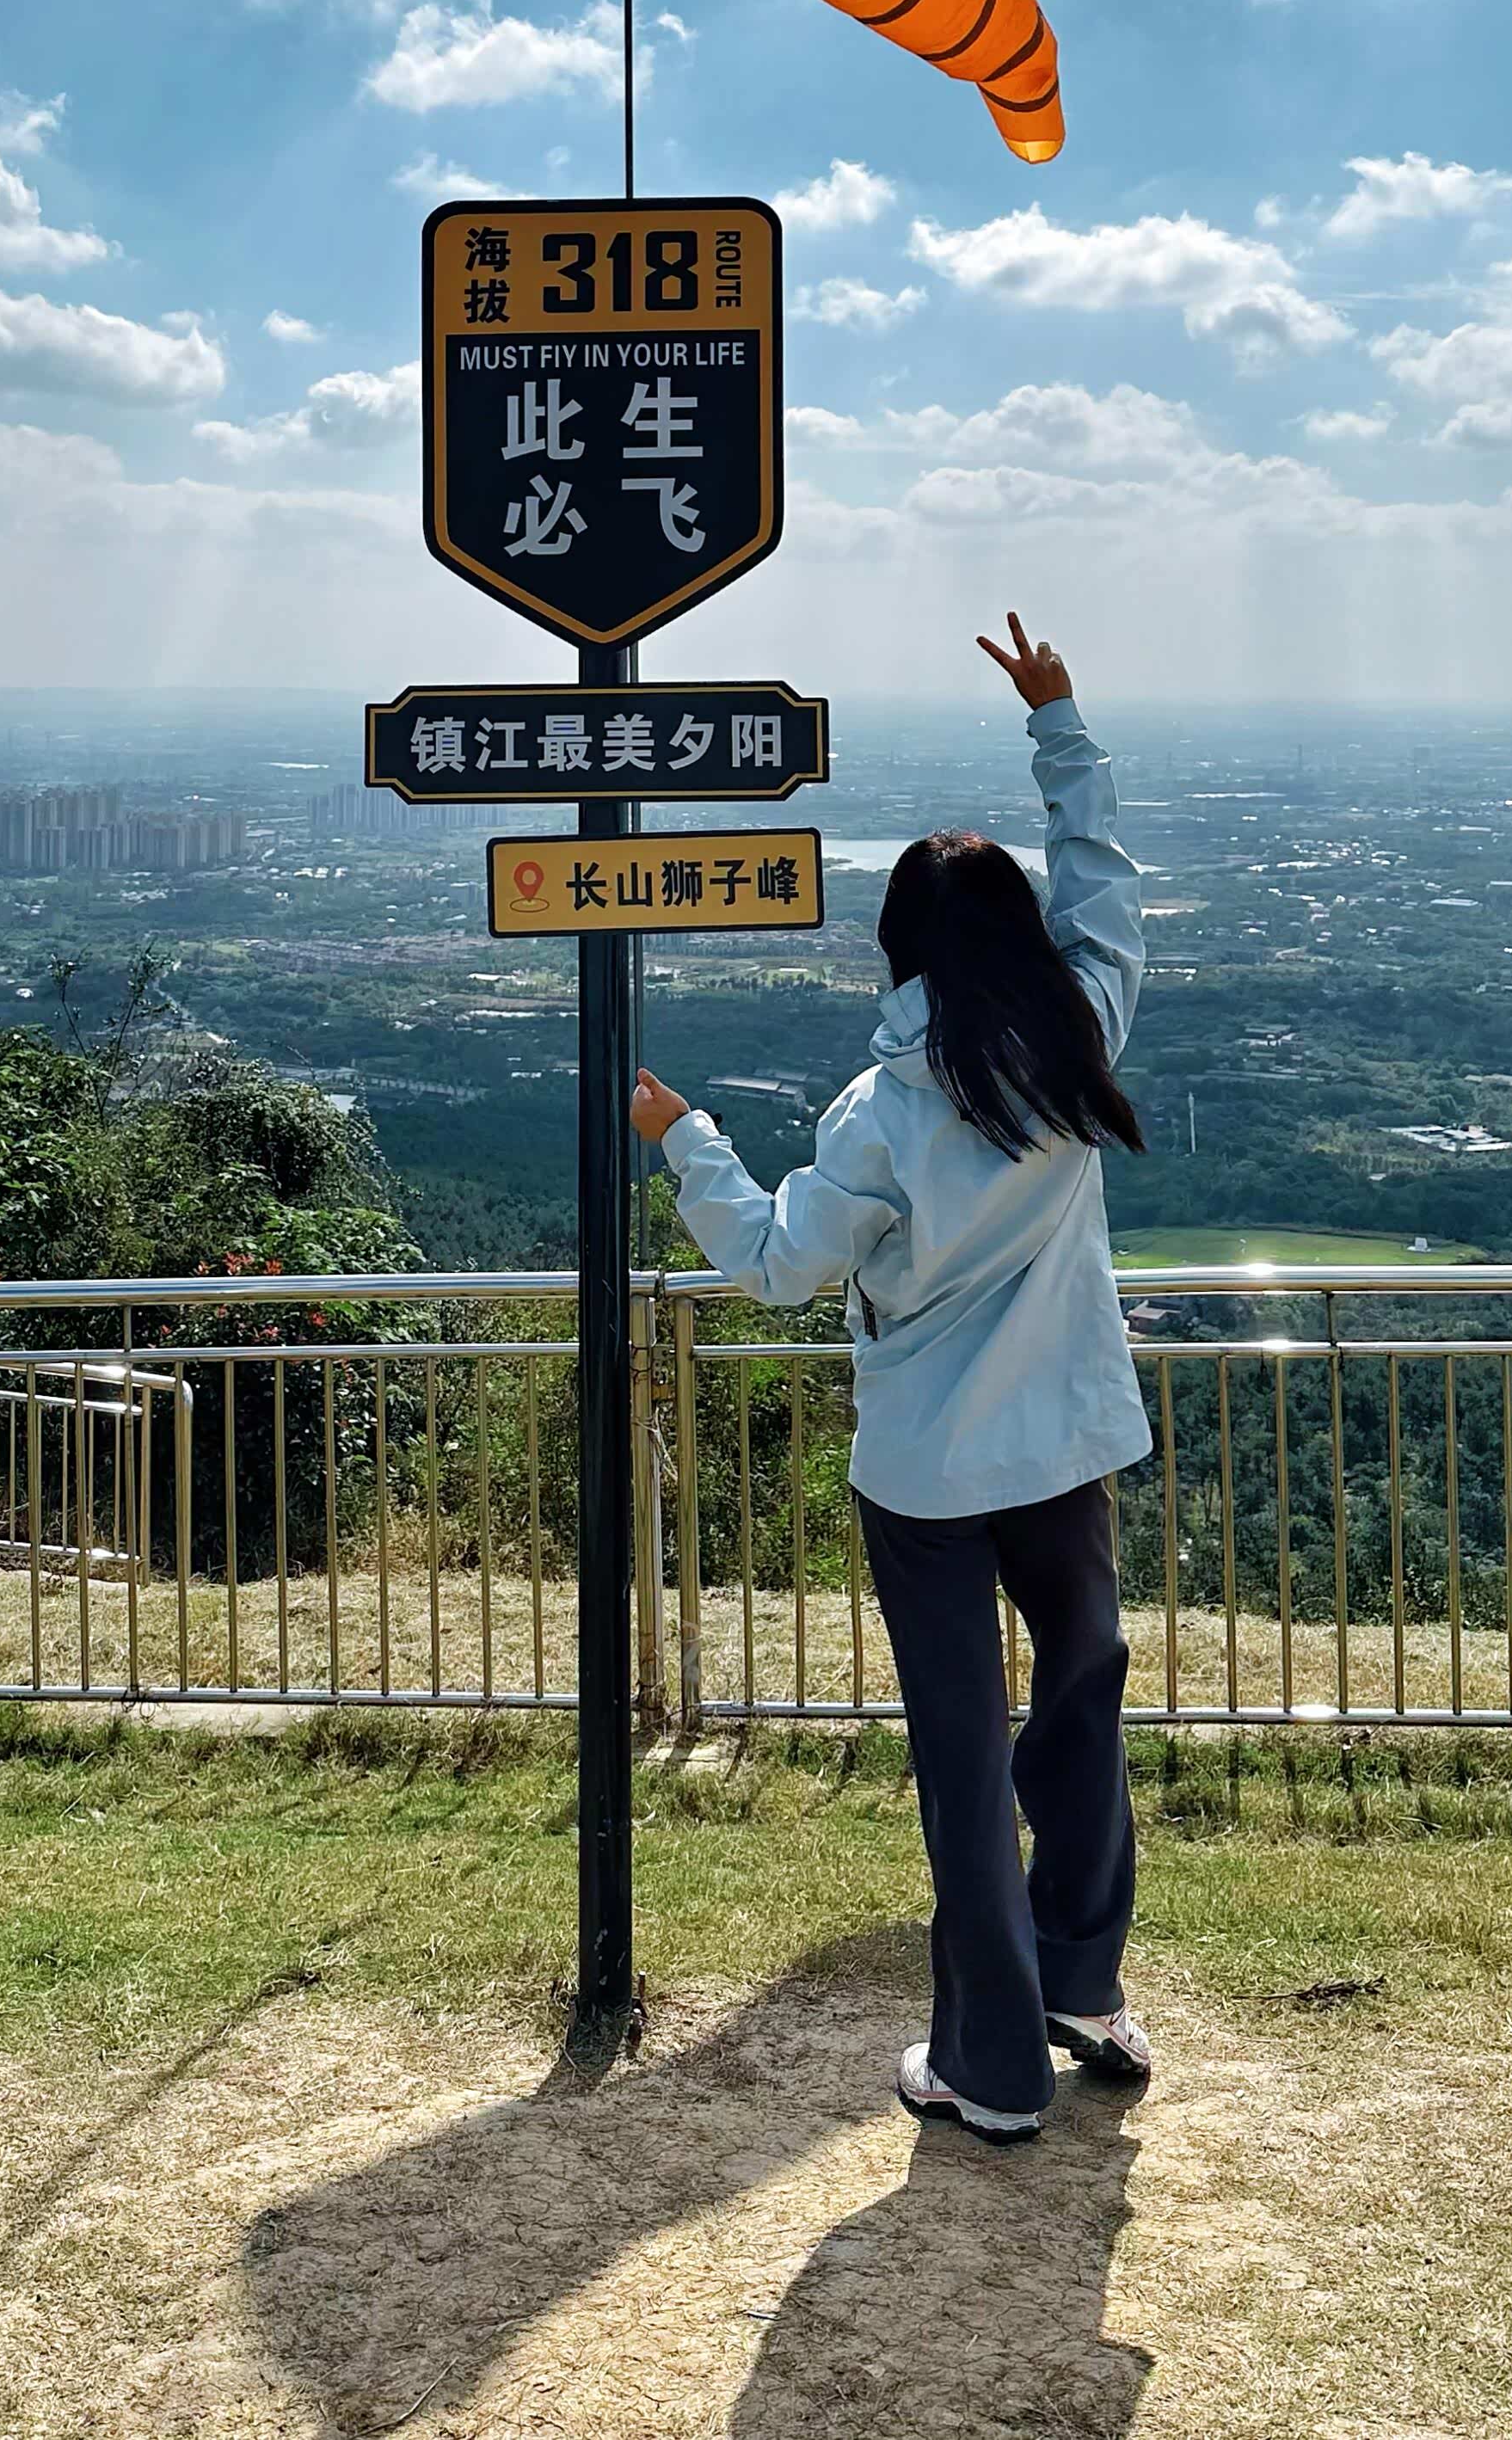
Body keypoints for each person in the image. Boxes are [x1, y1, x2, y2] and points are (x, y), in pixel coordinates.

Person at [630, 612, 1153, 2145]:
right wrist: (1059, 720)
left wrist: (685, 1138)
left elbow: (777, 1262)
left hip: (925, 1474)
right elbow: (1107, 894)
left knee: (961, 1757)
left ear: (899, 953)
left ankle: (992, 2065)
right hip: (1064, 1446)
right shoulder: (1076, 1042)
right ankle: (1084, 1980)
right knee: (1082, 1700)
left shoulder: (877, 1112)